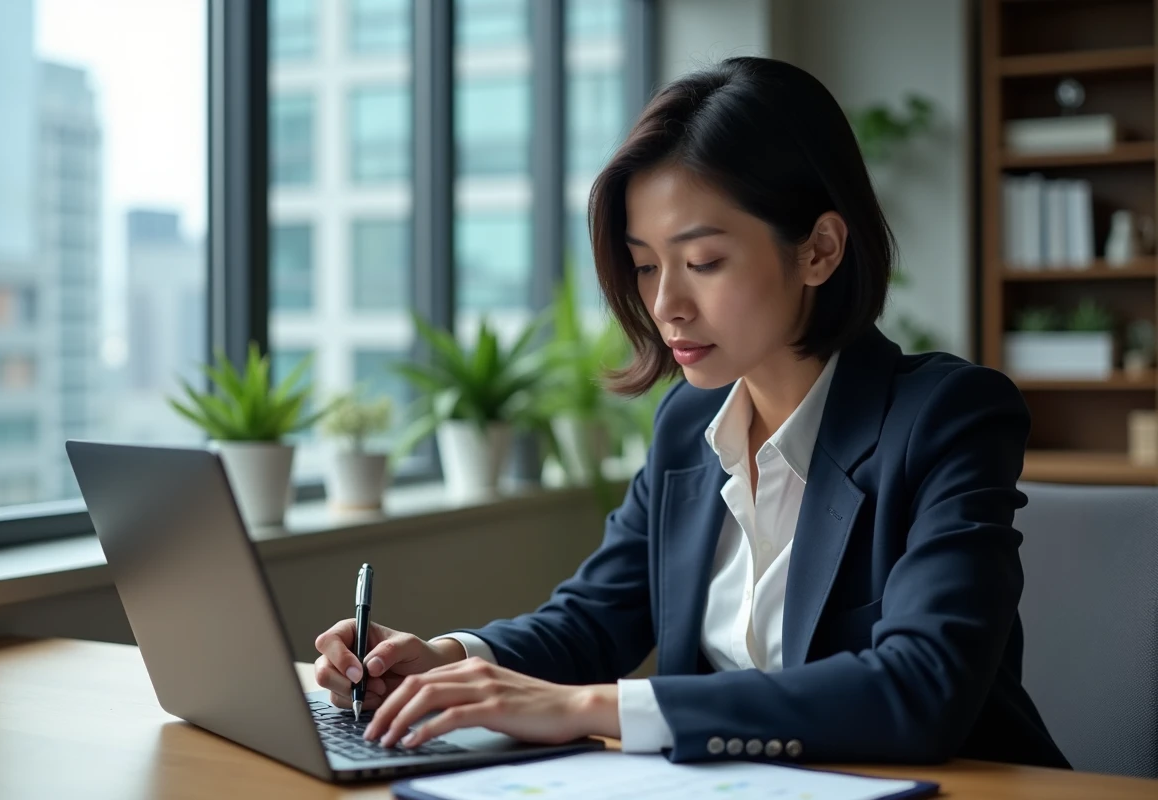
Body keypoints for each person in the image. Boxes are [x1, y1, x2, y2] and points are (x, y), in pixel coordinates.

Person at [313, 56, 1070, 769]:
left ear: (819, 250)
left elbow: (921, 685)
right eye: (646, 266)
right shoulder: (687, 425)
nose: (666, 305)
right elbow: (593, 619)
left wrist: (586, 707)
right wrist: (446, 659)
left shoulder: (947, 417)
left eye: (703, 262)